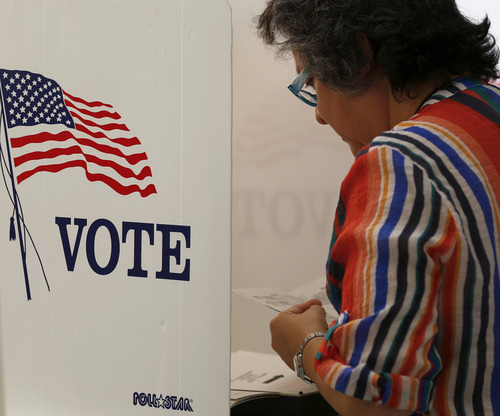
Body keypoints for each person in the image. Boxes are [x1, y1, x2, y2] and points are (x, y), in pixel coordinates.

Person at [256, 0, 500, 415]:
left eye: (311, 81)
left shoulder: (401, 162)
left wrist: (304, 345)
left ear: (359, 54)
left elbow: (371, 402)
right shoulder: (489, 110)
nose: (319, 115)